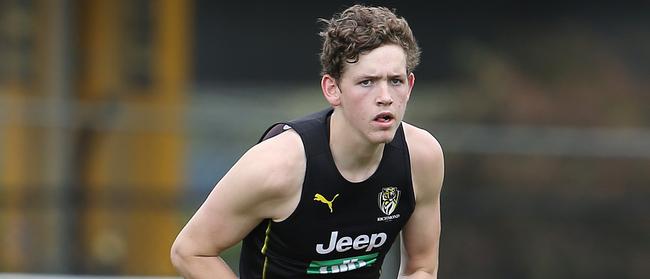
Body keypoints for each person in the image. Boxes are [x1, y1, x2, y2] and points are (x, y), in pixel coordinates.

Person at [171, 4, 444, 279]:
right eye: (367, 82)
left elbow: (421, 268)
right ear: (332, 89)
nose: (385, 96)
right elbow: (190, 251)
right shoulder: (277, 166)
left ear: (409, 86)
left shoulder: (422, 157)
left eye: (395, 81)